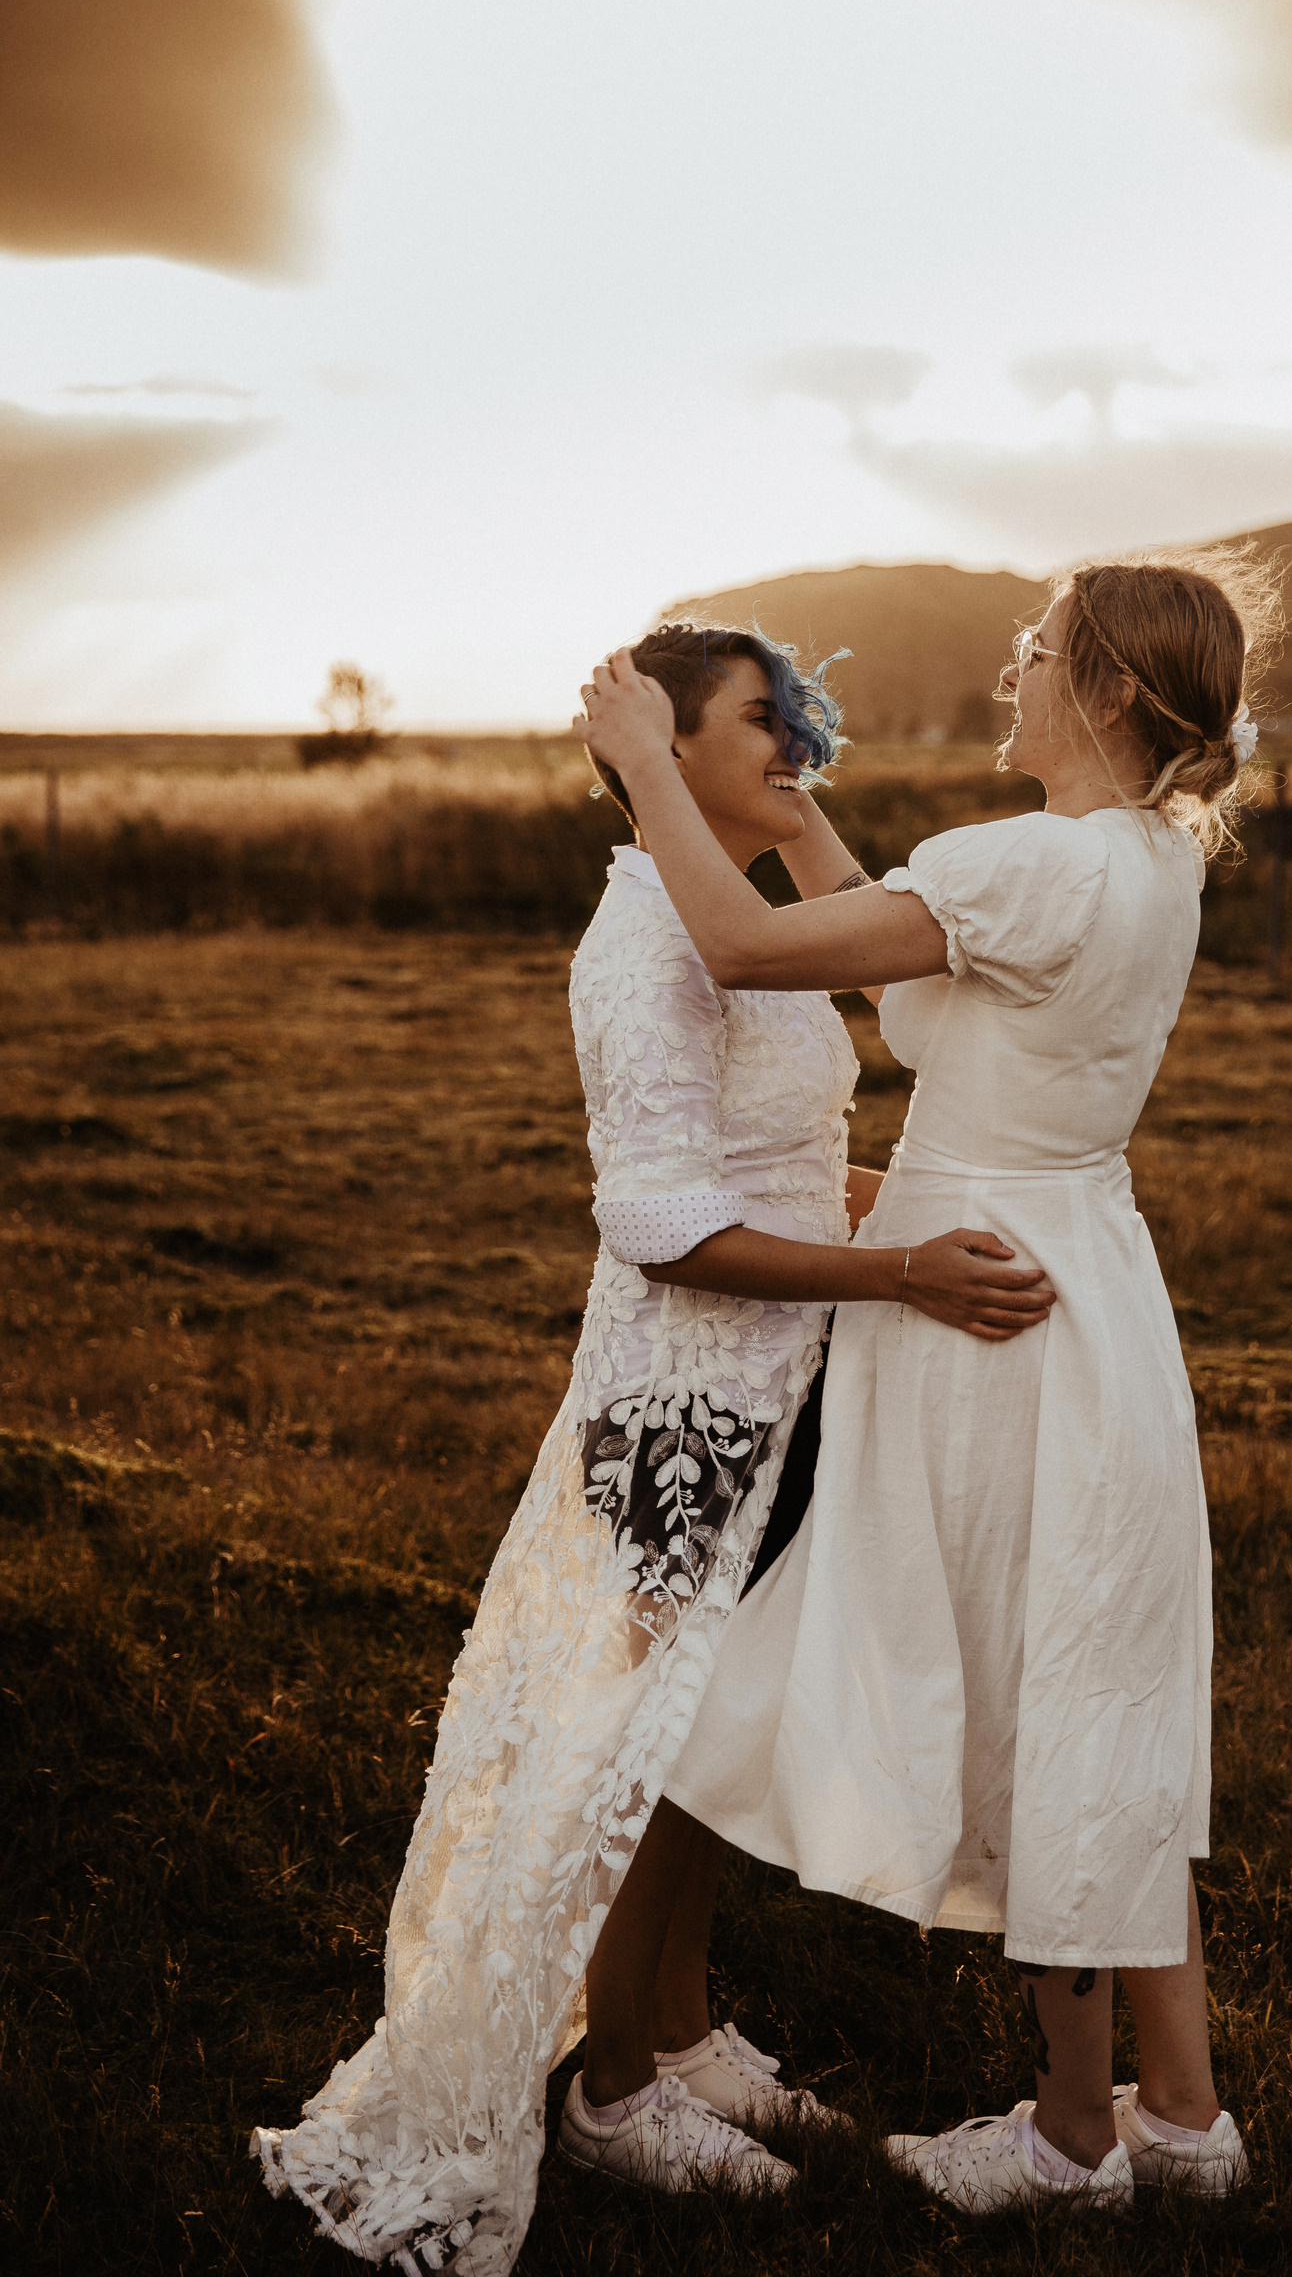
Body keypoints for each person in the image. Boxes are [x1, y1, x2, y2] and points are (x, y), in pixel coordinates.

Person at [252, 623, 1054, 2274]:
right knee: (661, 1750)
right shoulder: (641, 948)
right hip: (683, 1408)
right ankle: (616, 2092)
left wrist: (899, 1214)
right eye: (763, 724)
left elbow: (769, 1158)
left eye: (797, 722)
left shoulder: (739, 922)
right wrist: (899, 1269)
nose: (796, 751)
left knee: (711, 1733)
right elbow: (670, 1226)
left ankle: (680, 2035)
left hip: (777, 1394)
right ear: (664, 758)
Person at [573, 547, 1279, 2216]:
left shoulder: (1025, 862)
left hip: (991, 1316)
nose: (1010, 668)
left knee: (1037, 1681)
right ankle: (1182, 2117)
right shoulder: (1137, 863)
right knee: (1105, 1675)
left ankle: (1069, 2139)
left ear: (1103, 688)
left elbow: (750, 948)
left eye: (1038, 648)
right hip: (1085, 1277)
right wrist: (807, 818)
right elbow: (905, 991)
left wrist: (647, 767)